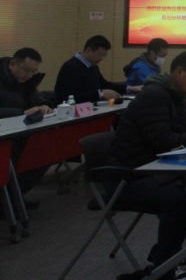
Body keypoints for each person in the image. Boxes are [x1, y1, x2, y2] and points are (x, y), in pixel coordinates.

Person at [109, 51, 186, 280]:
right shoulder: (155, 96)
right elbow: (162, 140)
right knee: (182, 198)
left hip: (153, 169)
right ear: (179, 72)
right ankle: (163, 265)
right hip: (127, 176)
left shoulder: (175, 96)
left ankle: (166, 255)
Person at [0, 47, 54, 202]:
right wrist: (21, 112)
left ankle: (15, 197)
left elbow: (34, 94)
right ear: (12, 64)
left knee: (41, 155)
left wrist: (43, 104)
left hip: (22, 132)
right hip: (5, 134)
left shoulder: (26, 79)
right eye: (27, 71)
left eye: (34, 72)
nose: (30, 75)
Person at [54, 35, 142, 104]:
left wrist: (129, 88)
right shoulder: (71, 67)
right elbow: (68, 96)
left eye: (104, 55)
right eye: (100, 55)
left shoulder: (92, 66)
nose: (101, 59)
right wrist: (100, 94)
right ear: (89, 50)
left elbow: (104, 84)